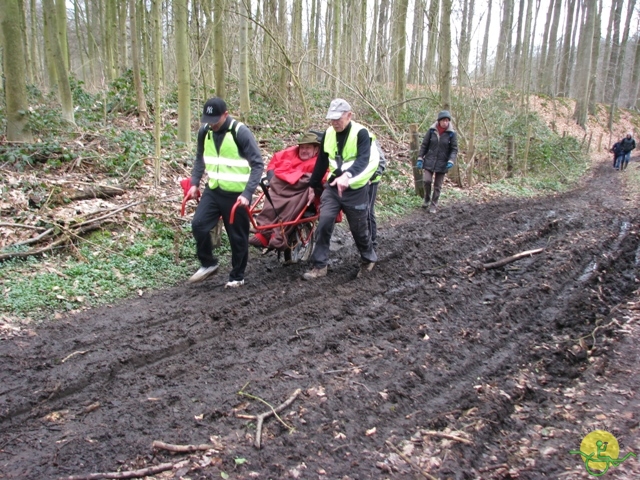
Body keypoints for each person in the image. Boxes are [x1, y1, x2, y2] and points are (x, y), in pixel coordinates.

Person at [185, 97, 264, 287]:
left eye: (215, 121)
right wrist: (194, 183)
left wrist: (247, 194)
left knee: (237, 237)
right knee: (198, 225)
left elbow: (258, 164)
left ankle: (237, 276)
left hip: (237, 195)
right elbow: (199, 159)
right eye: (208, 121)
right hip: (214, 189)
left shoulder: (240, 132)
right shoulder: (205, 132)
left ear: (225, 115)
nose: (211, 125)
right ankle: (208, 263)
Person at [303, 98, 380, 280]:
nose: (335, 122)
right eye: (332, 119)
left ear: (349, 115)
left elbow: (363, 159)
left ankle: (368, 259)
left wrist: (348, 175)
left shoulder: (361, 133)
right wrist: (313, 185)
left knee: (359, 229)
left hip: (355, 189)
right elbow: (322, 161)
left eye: (338, 118)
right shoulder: (328, 134)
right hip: (333, 186)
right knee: (324, 223)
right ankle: (320, 266)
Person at [249, 132, 321, 250]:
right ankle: (264, 231)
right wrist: (272, 177)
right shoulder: (290, 153)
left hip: (302, 190)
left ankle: (279, 234)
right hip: (282, 185)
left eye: (308, 148)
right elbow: (274, 163)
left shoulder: (320, 161)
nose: (304, 150)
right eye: (302, 147)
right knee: (270, 195)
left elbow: (326, 175)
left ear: (316, 149)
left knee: (293, 202)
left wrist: (314, 185)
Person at [416, 110, 458, 213]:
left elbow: (454, 149)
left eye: (447, 121)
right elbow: (424, 145)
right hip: (429, 160)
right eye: (444, 120)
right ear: (439, 121)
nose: (445, 123)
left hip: (442, 162)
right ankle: (427, 198)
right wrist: (420, 157)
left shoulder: (451, 134)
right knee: (427, 180)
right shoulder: (431, 131)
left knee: (437, 185)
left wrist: (451, 160)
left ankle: (434, 204)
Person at [368, 141, 386, 249]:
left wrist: (372, 176)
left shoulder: (371, 141)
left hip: (372, 180)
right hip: (359, 180)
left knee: (368, 209)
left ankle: (372, 241)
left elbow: (382, 161)